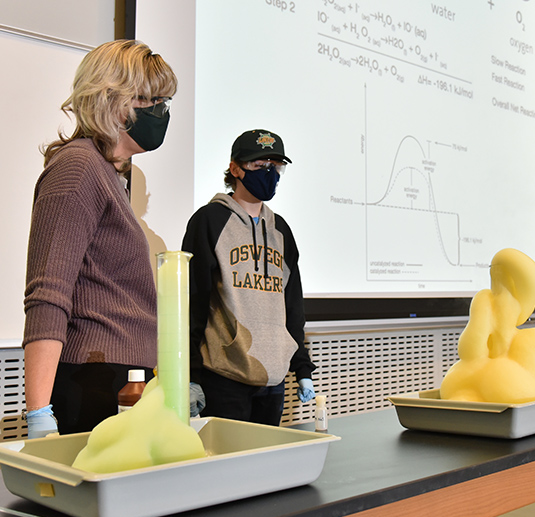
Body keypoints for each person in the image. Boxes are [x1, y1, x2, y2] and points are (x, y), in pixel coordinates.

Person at [22, 40, 178, 438]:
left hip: (122, 378)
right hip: (91, 381)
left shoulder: (109, 175)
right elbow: (48, 294)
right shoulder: (78, 168)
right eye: (153, 99)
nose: (163, 111)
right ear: (114, 99)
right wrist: (39, 412)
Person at [181, 129, 316, 426]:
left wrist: (302, 368)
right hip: (224, 375)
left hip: (273, 379)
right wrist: (190, 375)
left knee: (266, 467)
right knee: (226, 467)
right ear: (235, 168)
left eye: (275, 166)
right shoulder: (209, 221)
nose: (270, 173)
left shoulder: (281, 230)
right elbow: (193, 301)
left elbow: (292, 305)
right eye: (259, 165)